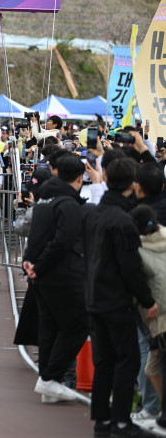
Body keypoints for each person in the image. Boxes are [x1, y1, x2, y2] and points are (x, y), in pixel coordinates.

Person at [83, 157, 158, 438]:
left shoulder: (93, 214)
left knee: (104, 361)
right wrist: (147, 300)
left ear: (105, 176)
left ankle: (102, 420)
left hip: (94, 296)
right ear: (133, 184)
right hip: (116, 300)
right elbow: (130, 267)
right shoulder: (124, 221)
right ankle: (121, 421)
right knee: (128, 360)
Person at [22, 153, 88, 403]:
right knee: (78, 325)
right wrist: (38, 266)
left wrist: (30, 263)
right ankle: (49, 378)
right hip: (61, 274)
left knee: (49, 328)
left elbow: (36, 236)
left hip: (41, 275)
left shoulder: (43, 201)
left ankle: (48, 382)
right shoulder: (69, 204)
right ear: (79, 178)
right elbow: (63, 241)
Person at [130, 205, 166, 430]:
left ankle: (156, 409)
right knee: (153, 366)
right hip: (159, 317)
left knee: (153, 365)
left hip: (158, 316)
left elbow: (137, 284)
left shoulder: (137, 251)